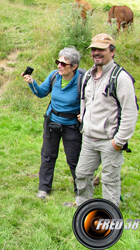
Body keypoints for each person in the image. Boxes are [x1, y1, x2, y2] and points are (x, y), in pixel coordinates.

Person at [67, 33, 138, 207]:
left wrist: (119, 141)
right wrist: (84, 118)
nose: (96, 53)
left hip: (109, 140)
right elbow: (85, 100)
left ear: (112, 52)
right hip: (89, 137)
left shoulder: (120, 78)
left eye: (101, 49)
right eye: (93, 50)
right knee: (82, 173)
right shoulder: (89, 76)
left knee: (109, 179)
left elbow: (130, 112)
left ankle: (110, 213)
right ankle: (82, 203)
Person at [22, 47, 83, 199]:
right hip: (52, 122)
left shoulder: (82, 81)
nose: (59, 66)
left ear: (74, 66)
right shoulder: (54, 76)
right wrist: (32, 82)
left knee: (74, 159)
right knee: (48, 156)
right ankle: (43, 189)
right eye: (58, 62)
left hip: (72, 125)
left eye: (64, 63)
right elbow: (41, 92)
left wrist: (86, 113)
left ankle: (81, 191)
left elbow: (92, 99)